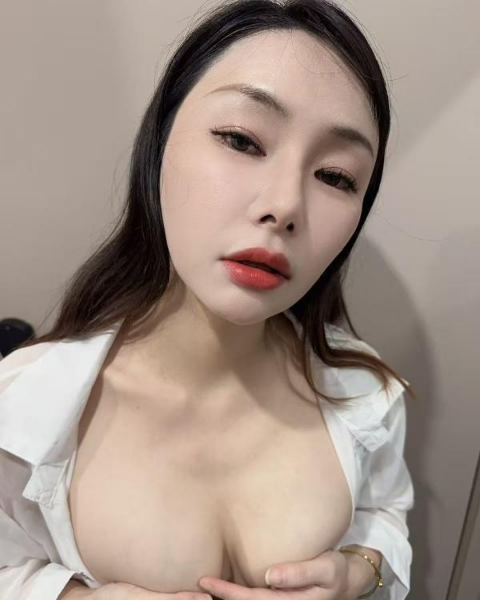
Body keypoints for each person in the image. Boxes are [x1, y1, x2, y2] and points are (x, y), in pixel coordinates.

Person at [0, 1, 416, 599]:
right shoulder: (23, 413)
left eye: (335, 176)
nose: (284, 205)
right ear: (160, 144)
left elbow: (386, 513)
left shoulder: (364, 394)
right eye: (241, 140)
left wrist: (360, 570)